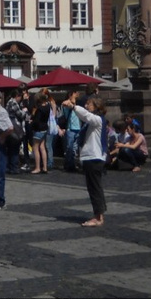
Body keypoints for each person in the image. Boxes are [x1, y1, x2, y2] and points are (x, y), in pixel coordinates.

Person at [62, 93, 108, 227]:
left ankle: (97, 217)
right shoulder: (94, 121)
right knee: (94, 187)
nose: (86, 105)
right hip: (91, 158)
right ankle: (99, 214)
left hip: (94, 158)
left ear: (96, 106)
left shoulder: (97, 120)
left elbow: (86, 116)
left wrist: (73, 106)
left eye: (89, 104)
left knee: (94, 188)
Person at [4, 87, 27, 174]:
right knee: (14, 149)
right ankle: (13, 167)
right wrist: (24, 111)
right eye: (20, 97)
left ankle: (9, 166)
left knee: (9, 149)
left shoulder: (9, 102)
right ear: (17, 96)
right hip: (14, 129)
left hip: (10, 128)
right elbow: (21, 115)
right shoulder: (13, 102)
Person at [59, 89, 82, 172]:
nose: (77, 94)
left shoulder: (79, 102)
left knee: (75, 148)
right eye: (75, 92)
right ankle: (69, 164)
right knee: (70, 147)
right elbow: (66, 107)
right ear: (71, 94)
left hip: (78, 127)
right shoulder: (66, 103)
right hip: (70, 127)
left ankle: (72, 164)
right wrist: (71, 102)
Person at [30, 90, 51, 174]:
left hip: (38, 129)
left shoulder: (39, 109)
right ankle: (45, 167)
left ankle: (38, 167)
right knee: (42, 147)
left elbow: (36, 121)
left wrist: (32, 122)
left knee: (35, 148)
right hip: (45, 128)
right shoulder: (48, 107)